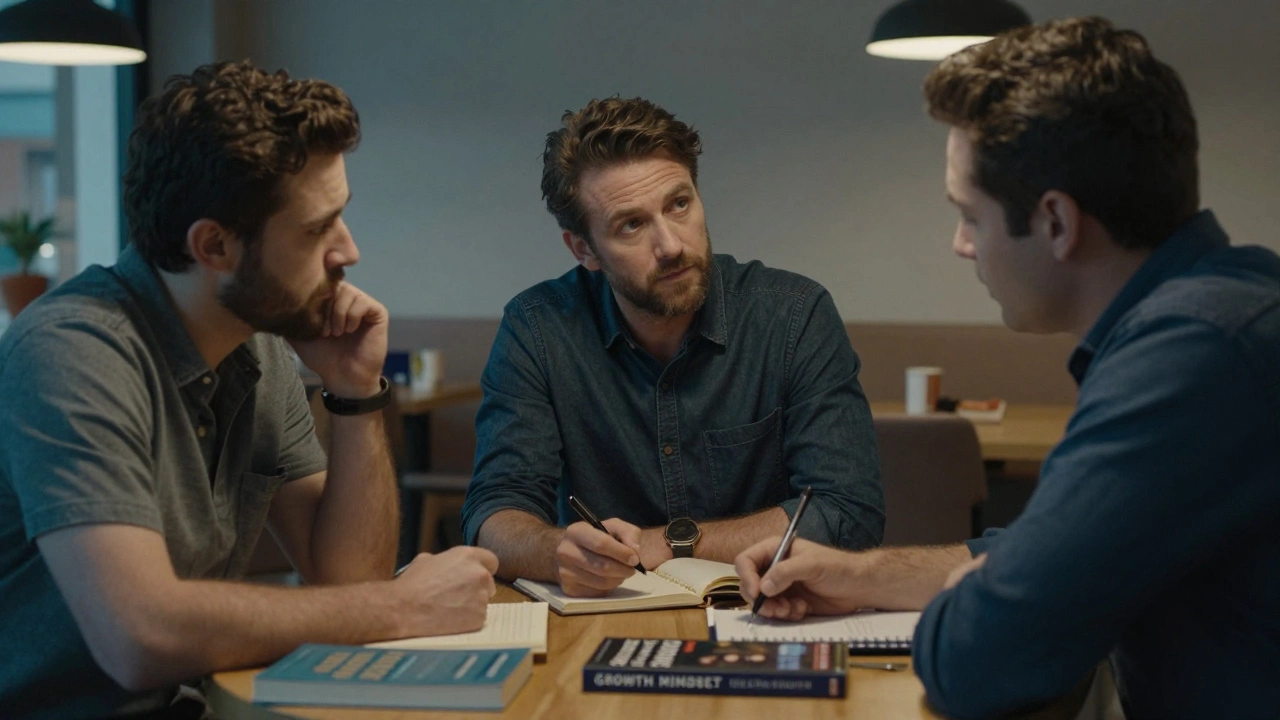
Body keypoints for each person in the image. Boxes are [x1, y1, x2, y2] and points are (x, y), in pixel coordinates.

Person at [736, 17, 1280, 720]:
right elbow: (1044, 551)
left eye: (970, 215)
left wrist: (993, 590)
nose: (961, 245)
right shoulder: (1226, 308)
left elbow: (979, 656)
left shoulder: (1191, 357)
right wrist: (863, 575)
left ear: (1055, 222)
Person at [0, 61, 498, 719]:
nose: (348, 251)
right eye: (318, 228)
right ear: (213, 246)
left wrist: (353, 391)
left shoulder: (256, 344)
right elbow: (139, 637)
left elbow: (346, 579)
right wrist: (404, 607)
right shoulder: (73, 349)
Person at [462, 97, 884, 597]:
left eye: (679, 205)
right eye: (631, 225)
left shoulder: (793, 314)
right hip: (602, 613)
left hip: (765, 610)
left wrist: (667, 543)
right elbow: (495, 513)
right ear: (583, 250)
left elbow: (849, 512)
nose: (672, 245)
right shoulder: (539, 328)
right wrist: (555, 551)